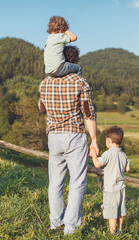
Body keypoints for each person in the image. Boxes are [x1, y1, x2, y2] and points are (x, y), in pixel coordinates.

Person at [38, 45, 98, 235]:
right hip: (74, 136)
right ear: (75, 61)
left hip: (53, 137)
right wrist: (94, 140)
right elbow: (88, 114)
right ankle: (70, 227)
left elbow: (41, 109)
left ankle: (55, 223)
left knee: (55, 182)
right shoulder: (80, 82)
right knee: (77, 182)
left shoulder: (44, 83)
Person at [89, 126, 130, 234]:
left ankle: (112, 233)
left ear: (109, 141)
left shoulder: (107, 154)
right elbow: (127, 169)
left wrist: (93, 155)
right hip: (121, 188)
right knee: (120, 210)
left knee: (112, 212)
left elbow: (97, 164)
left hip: (110, 189)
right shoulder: (123, 154)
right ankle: (120, 230)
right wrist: (110, 170)